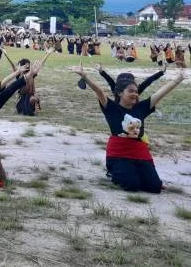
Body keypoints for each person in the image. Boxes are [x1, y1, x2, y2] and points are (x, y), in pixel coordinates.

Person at [72, 60, 185, 193]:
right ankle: (113, 172)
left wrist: (179, 78)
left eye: (136, 92)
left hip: (139, 151)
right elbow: (99, 91)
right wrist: (85, 76)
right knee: (131, 185)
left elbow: (161, 93)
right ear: (120, 93)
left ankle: (139, 174)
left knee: (154, 187)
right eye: (131, 91)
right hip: (119, 153)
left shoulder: (142, 107)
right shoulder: (111, 108)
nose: (135, 94)